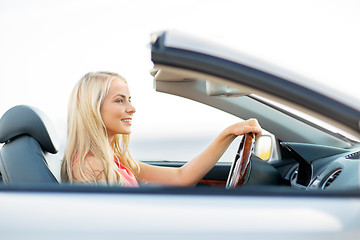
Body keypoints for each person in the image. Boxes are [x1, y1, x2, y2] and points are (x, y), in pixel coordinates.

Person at [61, 71, 262, 186]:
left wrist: (228, 134)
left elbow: (181, 177)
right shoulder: (92, 166)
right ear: (93, 109)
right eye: (119, 100)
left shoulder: (113, 160)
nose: (131, 108)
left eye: (129, 100)